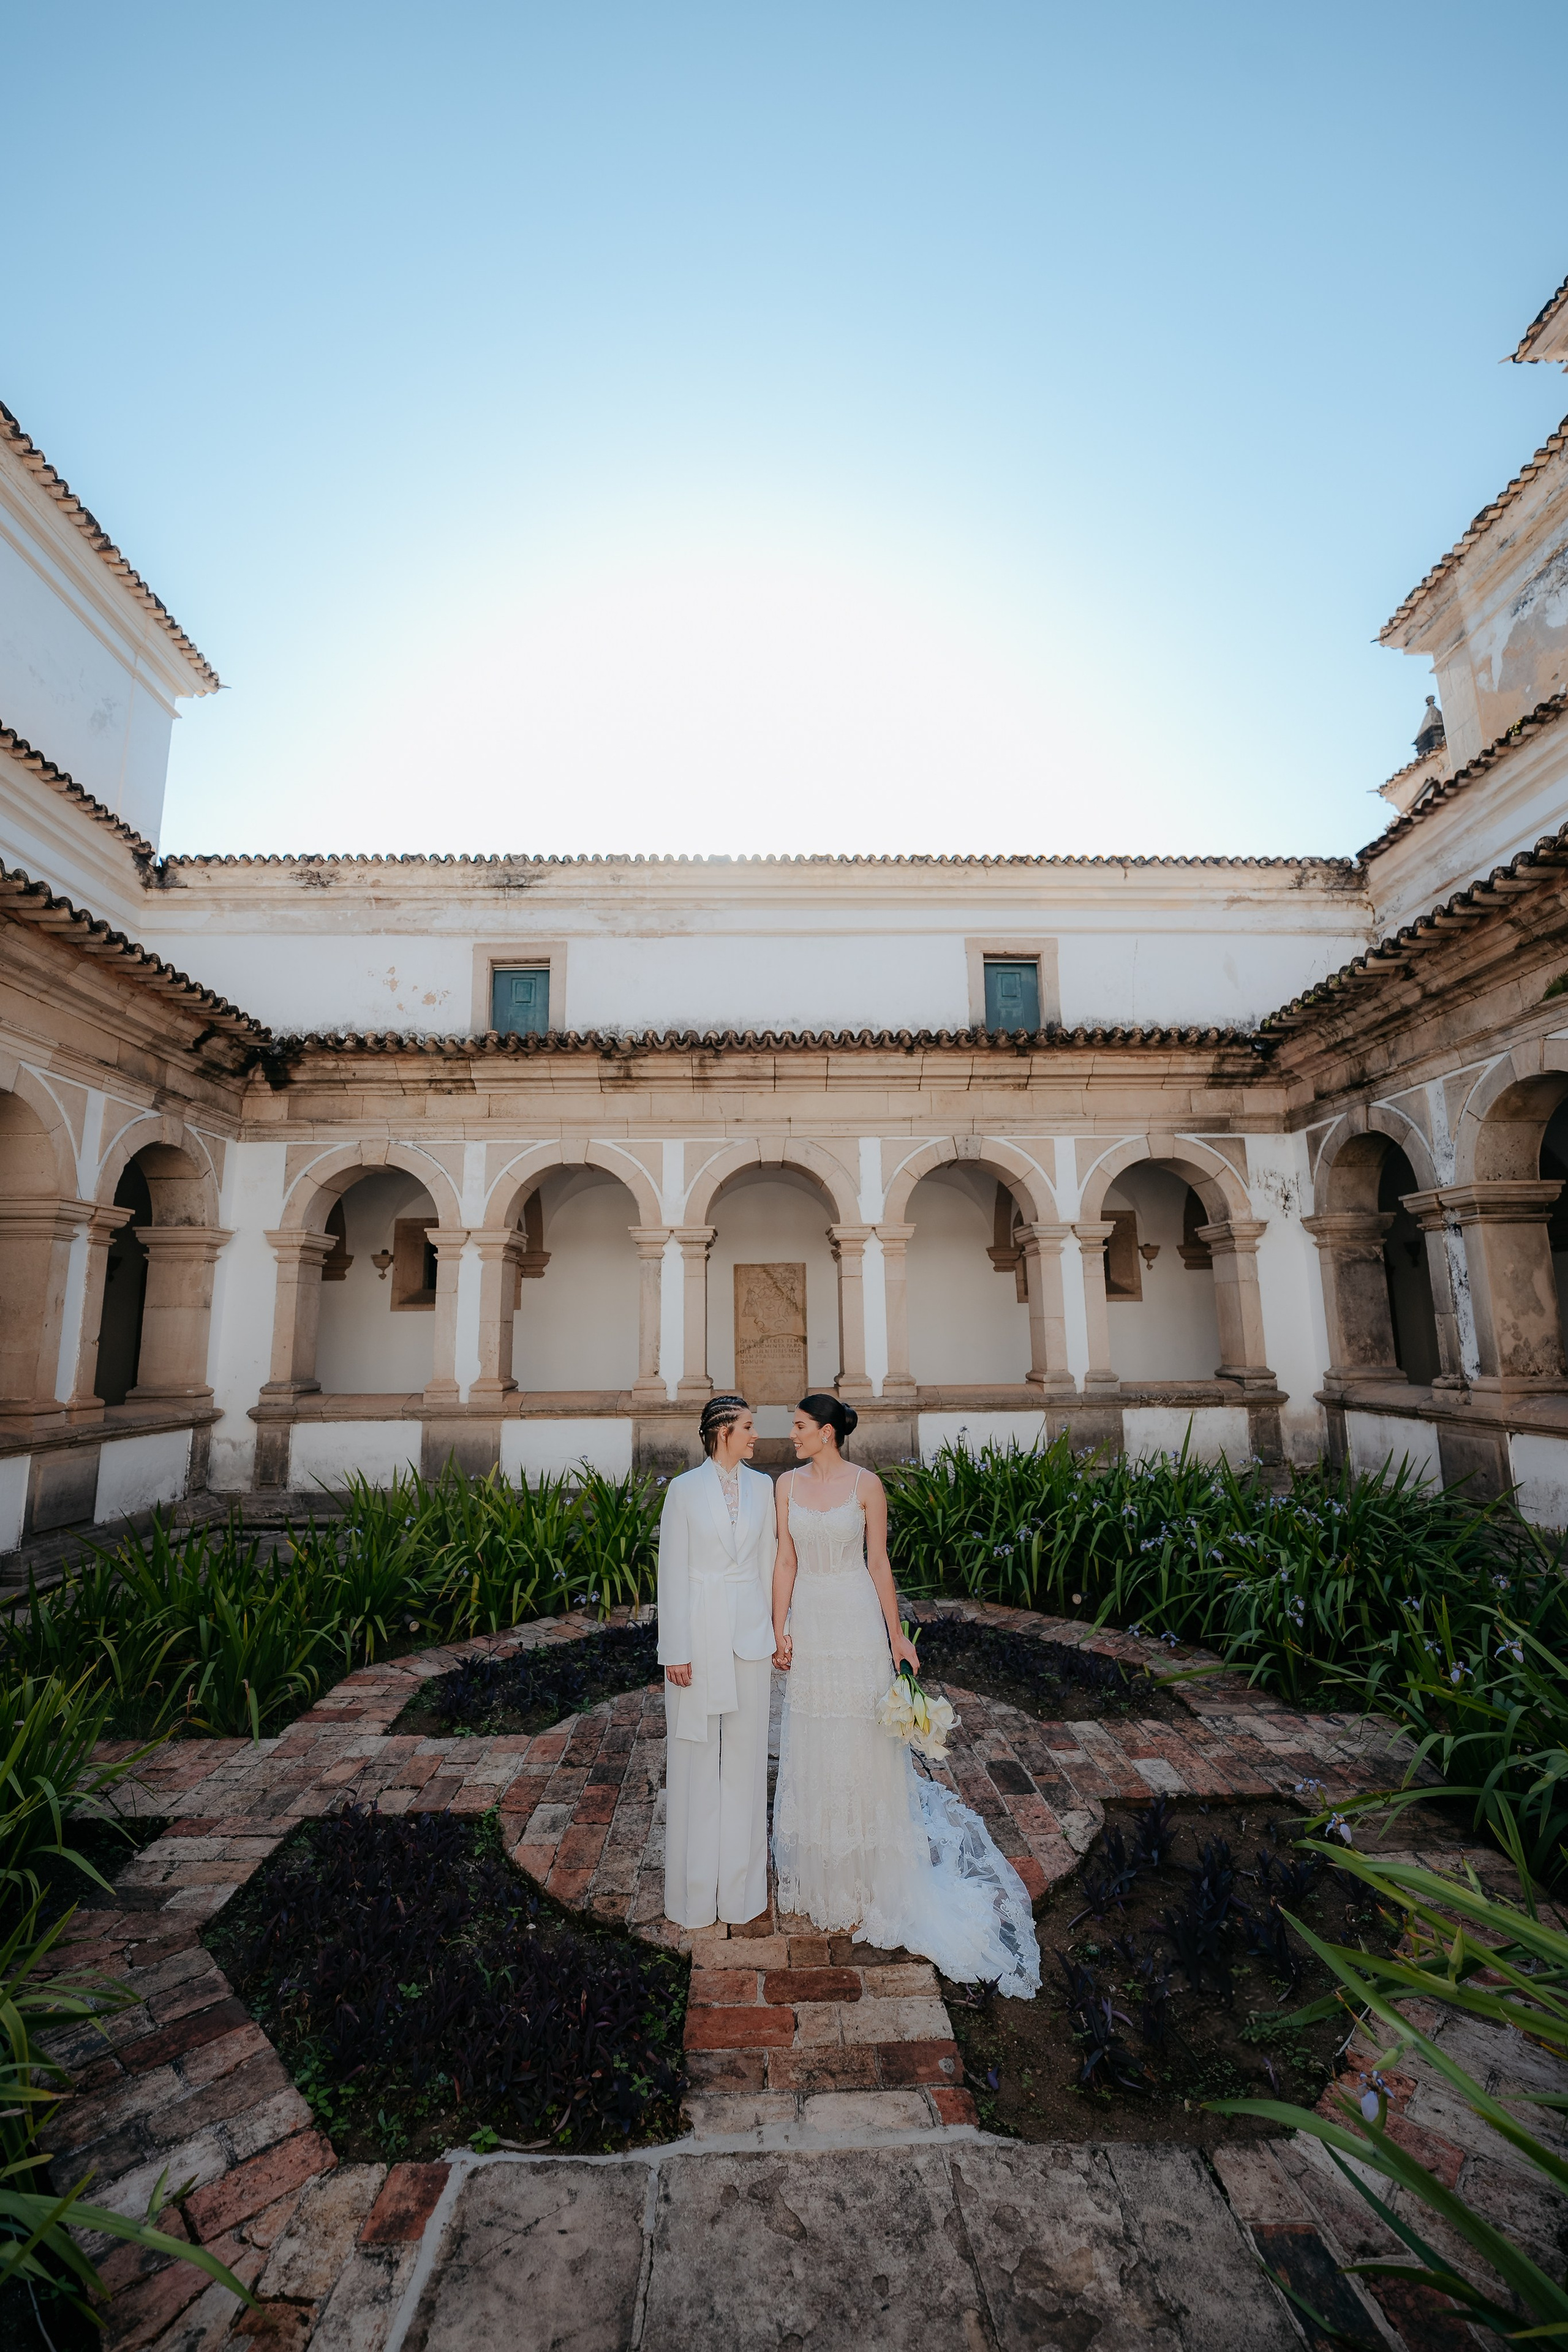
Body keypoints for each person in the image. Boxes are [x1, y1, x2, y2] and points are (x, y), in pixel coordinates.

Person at [770, 1394, 1041, 1996]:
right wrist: (778, 1629)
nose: (790, 1433)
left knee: (861, 1740)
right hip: (810, 1621)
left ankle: (869, 1872)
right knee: (816, 1733)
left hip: (857, 1622)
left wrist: (897, 1638)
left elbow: (879, 1564)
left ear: (827, 1433)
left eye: (799, 1426)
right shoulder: (784, 1485)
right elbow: (784, 1560)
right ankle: (825, 1869)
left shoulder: (867, 1486)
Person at [656, 1393, 777, 1931]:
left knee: (748, 1764)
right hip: (697, 1641)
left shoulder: (765, 1487)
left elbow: (772, 1564)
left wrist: (781, 1632)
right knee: (694, 1764)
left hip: (751, 1638)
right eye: (749, 1427)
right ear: (722, 1431)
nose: (757, 1436)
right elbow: (672, 1573)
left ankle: (743, 1894)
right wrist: (674, 1650)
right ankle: (693, 1897)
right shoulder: (683, 1491)